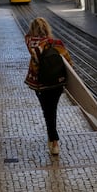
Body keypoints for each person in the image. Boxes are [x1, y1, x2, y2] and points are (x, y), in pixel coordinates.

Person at [24, 17, 72, 155]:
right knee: (53, 110)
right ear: (47, 29)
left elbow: (34, 66)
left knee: (48, 112)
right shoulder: (57, 44)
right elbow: (68, 62)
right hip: (57, 84)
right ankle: (53, 141)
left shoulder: (32, 45)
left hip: (42, 86)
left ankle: (54, 140)